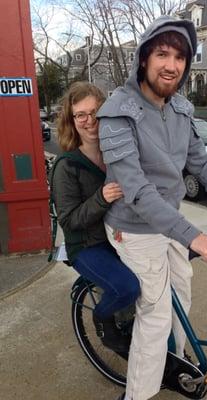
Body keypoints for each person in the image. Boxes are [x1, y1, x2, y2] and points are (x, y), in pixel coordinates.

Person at [98, 15, 207, 400]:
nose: (171, 65)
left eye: (180, 57)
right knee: (154, 317)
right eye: (162, 54)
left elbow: (202, 164)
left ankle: (173, 363)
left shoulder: (181, 110)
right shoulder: (117, 112)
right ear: (144, 58)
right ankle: (138, 394)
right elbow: (136, 191)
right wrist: (196, 236)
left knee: (182, 297)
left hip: (167, 222)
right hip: (134, 226)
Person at [50, 81, 140, 352]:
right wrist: (102, 198)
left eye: (95, 112)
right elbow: (70, 220)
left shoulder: (116, 154)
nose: (90, 121)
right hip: (87, 246)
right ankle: (103, 319)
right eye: (81, 115)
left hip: (117, 234)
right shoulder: (67, 166)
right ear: (72, 120)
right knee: (127, 287)